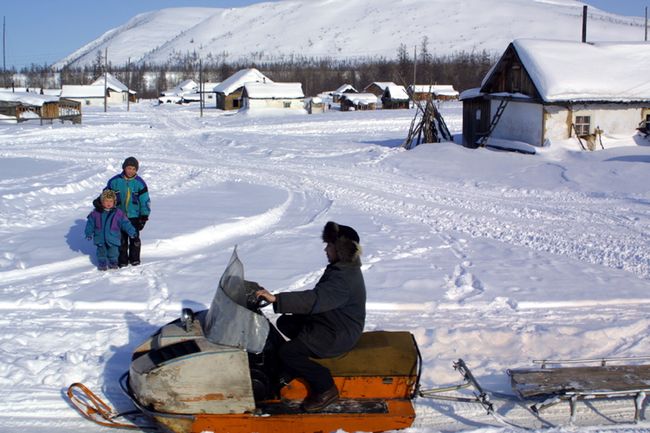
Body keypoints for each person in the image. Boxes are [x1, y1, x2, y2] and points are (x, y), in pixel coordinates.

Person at [256, 221, 366, 412]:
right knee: (285, 322)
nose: (326, 249)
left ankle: (326, 388)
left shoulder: (343, 278)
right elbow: (320, 299)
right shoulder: (342, 269)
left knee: (288, 352)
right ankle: (295, 363)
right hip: (331, 321)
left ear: (341, 250)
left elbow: (316, 299)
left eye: (330, 245)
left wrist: (276, 299)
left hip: (336, 333)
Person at [105, 157, 151, 267]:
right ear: (124, 168)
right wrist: (100, 202)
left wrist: (144, 216)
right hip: (118, 215)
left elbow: (145, 200)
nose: (131, 171)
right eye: (129, 168)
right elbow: (106, 195)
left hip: (134, 215)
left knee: (134, 238)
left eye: (134, 169)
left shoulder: (139, 183)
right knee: (121, 239)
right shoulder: (114, 181)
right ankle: (122, 260)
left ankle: (135, 259)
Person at [85, 190, 138, 271]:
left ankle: (113, 263)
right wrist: (88, 233)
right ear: (102, 201)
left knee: (113, 253)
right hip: (100, 238)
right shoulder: (95, 213)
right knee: (101, 252)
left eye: (111, 201)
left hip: (113, 237)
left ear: (114, 202)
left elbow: (125, 223)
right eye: (106, 201)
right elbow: (90, 224)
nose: (108, 203)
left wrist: (132, 231)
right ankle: (102, 263)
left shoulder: (118, 213)